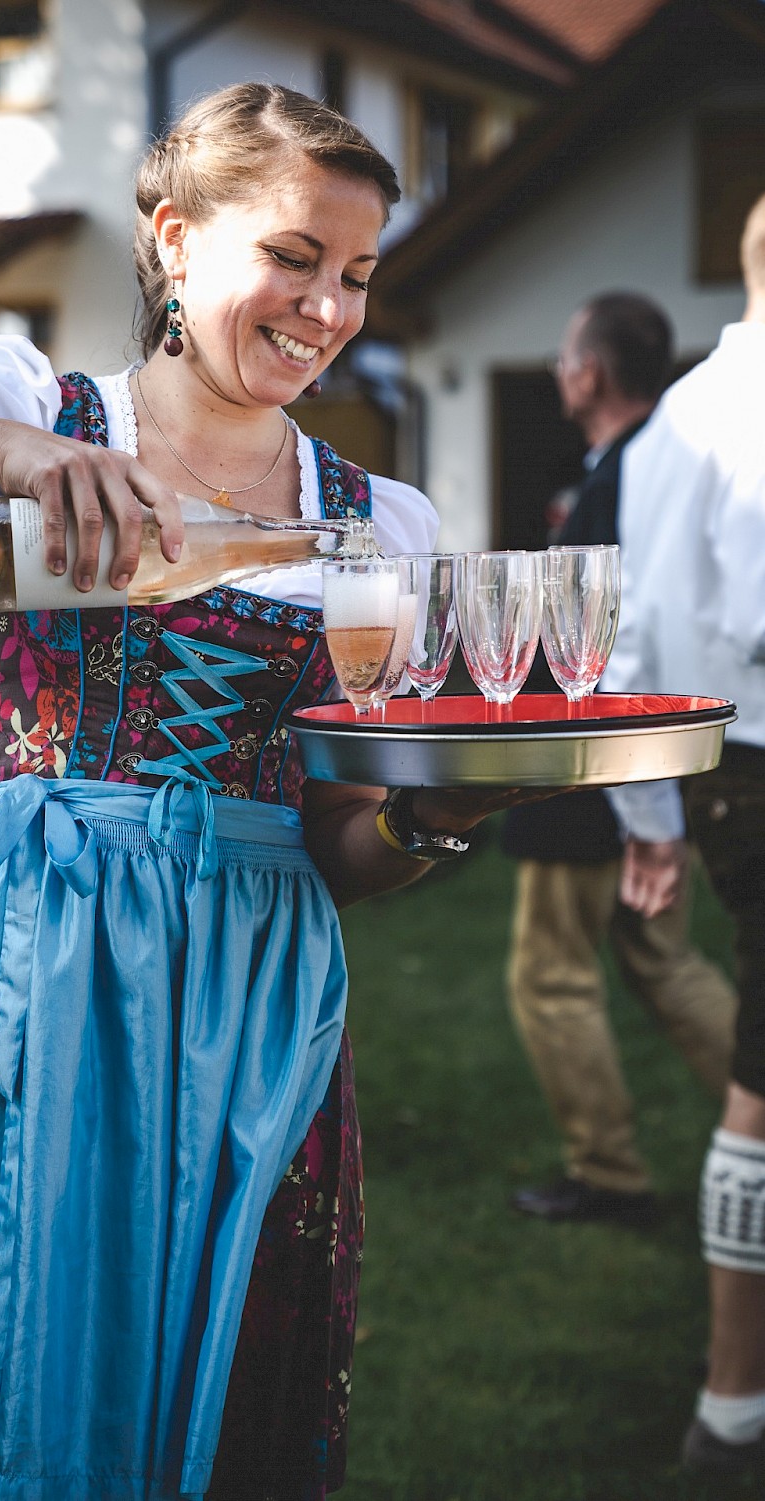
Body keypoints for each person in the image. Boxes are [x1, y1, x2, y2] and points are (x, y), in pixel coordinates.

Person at [0, 85, 545, 1500]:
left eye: (358, 274)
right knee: (30, 1367)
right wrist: (6, 455)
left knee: (239, 1375)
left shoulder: (384, 525)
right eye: (295, 257)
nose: (327, 308)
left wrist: (440, 813)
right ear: (176, 243)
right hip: (54, 964)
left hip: (263, 987)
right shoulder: (35, 409)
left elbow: (335, 843)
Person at [502, 294, 737, 1226]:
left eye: (566, 356)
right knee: (661, 959)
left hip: (593, 753)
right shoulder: (662, 465)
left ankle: (608, 1170)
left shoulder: (623, 479)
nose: (563, 372)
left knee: (550, 971)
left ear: (591, 373)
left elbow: (608, 641)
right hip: (655, 759)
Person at [603, 192, 765, 1479]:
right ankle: (730, 1405)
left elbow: (637, 641)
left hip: (721, 776)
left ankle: (729, 1398)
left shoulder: (673, 421)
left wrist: (653, 817)